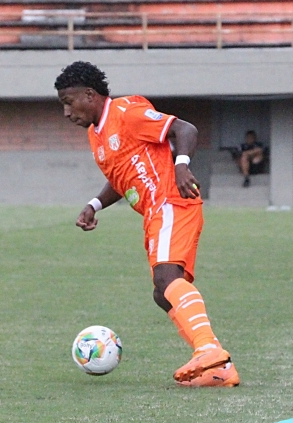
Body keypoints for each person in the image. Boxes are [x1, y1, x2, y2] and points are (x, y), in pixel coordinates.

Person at [55, 61, 239, 387]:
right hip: (155, 212)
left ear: (90, 94)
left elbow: (185, 129)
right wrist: (94, 205)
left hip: (172, 201)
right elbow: (121, 178)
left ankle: (208, 350)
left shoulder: (126, 112)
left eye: (69, 102)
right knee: (162, 292)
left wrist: (181, 165)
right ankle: (219, 369)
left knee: (166, 277)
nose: (66, 112)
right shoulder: (96, 136)